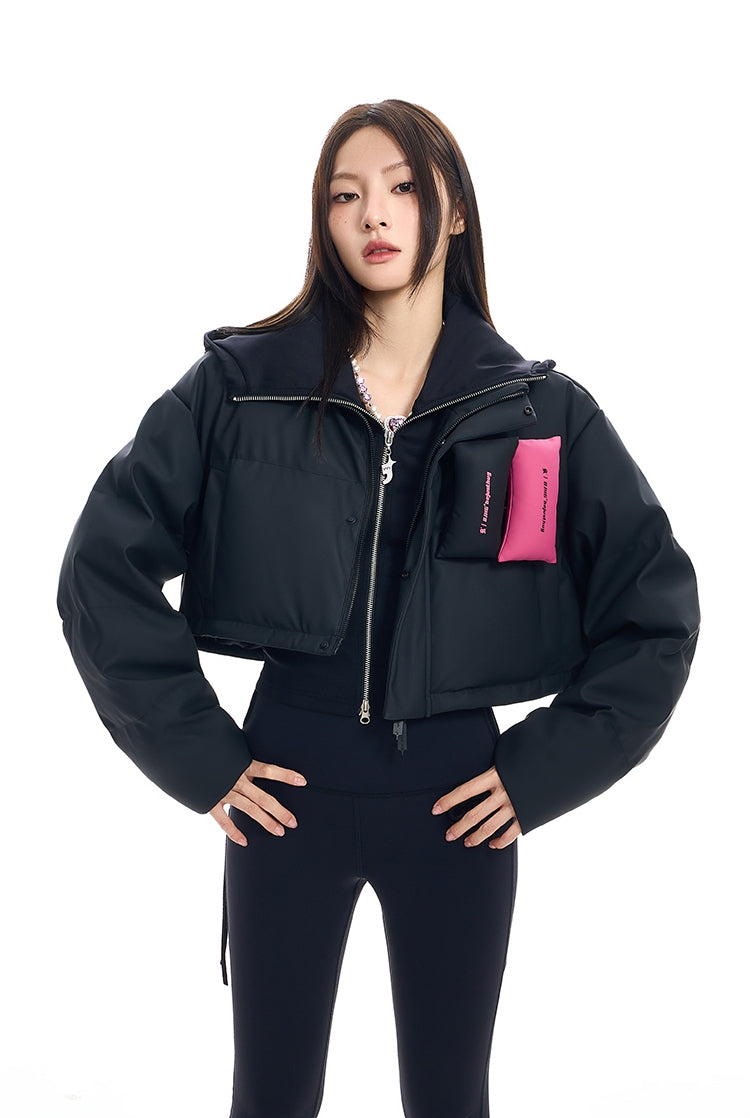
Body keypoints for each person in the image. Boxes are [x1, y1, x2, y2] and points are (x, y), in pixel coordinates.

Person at [56, 99, 700, 1118]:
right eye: (344, 194)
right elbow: (101, 568)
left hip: (460, 800)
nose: (374, 215)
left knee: (450, 1097)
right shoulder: (241, 388)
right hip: (285, 789)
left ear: (453, 210)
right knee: (271, 1097)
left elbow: (656, 611)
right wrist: (201, 759)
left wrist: (541, 771)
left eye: (402, 186)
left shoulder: (541, 411)